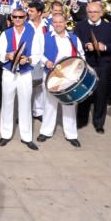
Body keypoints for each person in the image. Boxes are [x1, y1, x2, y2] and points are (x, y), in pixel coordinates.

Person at [0, 8, 44, 150]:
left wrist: (28, 59)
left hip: (24, 73)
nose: (17, 19)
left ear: (25, 18)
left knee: (25, 104)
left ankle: (26, 136)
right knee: (7, 103)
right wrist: (7, 56)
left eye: (20, 17)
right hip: (9, 72)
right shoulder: (6, 33)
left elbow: (37, 52)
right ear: (11, 17)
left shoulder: (32, 33)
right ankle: (5, 134)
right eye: (15, 17)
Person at [37, 13, 83, 147]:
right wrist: (46, 62)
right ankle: (46, 131)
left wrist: (78, 69)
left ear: (65, 23)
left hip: (69, 76)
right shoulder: (45, 37)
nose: (58, 24)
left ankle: (71, 134)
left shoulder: (73, 38)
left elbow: (81, 55)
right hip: (52, 74)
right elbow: (39, 54)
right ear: (52, 24)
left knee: (69, 104)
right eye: (55, 22)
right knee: (50, 103)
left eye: (60, 22)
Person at [74, 1, 111, 133]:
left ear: (101, 13)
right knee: (84, 94)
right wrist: (86, 45)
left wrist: (104, 47)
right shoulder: (80, 26)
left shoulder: (109, 26)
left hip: (103, 65)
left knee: (101, 95)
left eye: (95, 12)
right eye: (90, 12)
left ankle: (99, 123)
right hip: (86, 64)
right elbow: (75, 42)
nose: (92, 14)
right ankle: (81, 120)